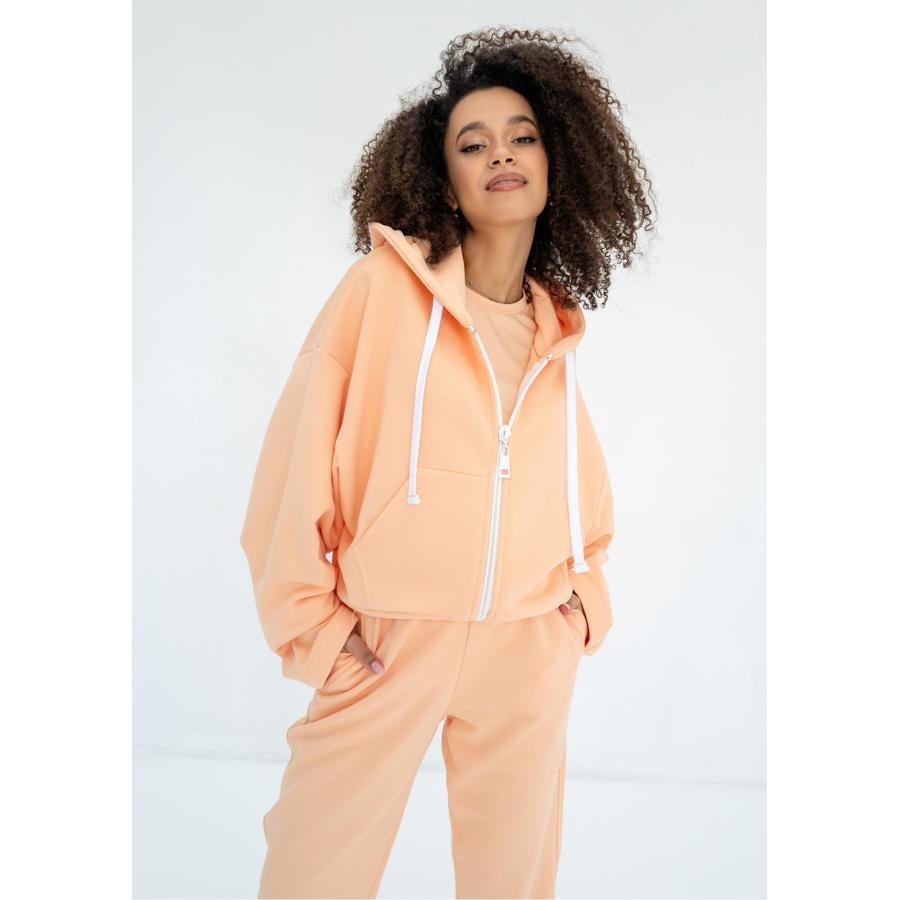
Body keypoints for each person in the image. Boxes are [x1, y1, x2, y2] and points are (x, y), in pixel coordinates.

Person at [239, 27, 655, 899]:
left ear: (557, 161)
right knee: (312, 870)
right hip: (387, 643)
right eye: (473, 143)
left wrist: (581, 607)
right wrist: (315, 632)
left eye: (522, 135)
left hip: (526, 650)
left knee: (514, 883)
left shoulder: (555, 329)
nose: (501, 153)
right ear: (444, 177)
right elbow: (292, 468)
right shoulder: (380, 292)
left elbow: (580, 493)